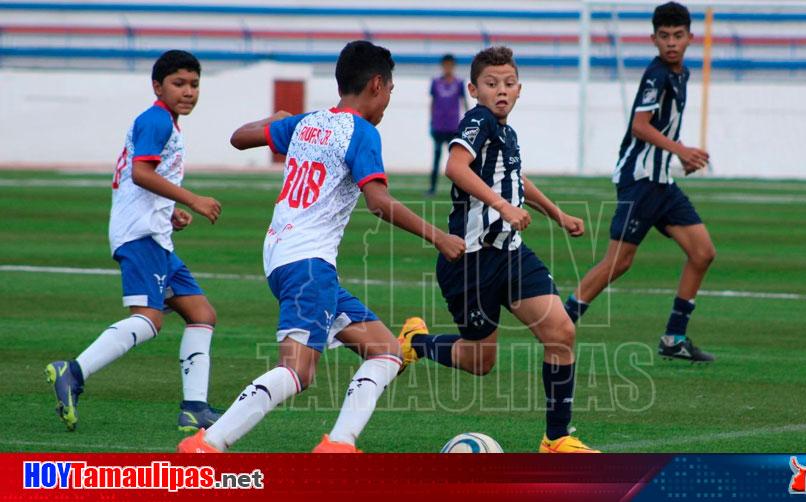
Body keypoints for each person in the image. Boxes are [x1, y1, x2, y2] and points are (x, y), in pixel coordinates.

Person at [177, 41, 466, 453]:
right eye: (390, 91)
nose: (387, 102)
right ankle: (208, 445)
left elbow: (239, 138)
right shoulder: (362, 133)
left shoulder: (307, 122)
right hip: (308, 262)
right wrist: (439, 237)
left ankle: (339, 446)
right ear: (377, 85)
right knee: (298, 372)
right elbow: (379, 203)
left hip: (286, 258)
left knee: (385, 352)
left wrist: (277, 119)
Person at [396, 46, 599, 453]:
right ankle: (415, 343)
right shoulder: (478, 119)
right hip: (470, 262)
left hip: (511, 254)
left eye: (508, 83)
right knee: (479, 362)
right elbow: (454, 167)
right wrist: (502, 206)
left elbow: (515, 177)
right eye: (491, 84)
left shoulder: (506, 132)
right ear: (474, 89)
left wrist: (558, 215)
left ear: (519, 89)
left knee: (561, 332)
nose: (500, 91)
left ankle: (557, 439)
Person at [46, 50, 224, 433]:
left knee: (201, 314)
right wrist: (190, 199)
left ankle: (194, 408)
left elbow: (140, 179)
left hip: (154, 233)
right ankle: (73, 371)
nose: (189, 91)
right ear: (157, 86)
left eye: (194, 84)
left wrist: (168, 211)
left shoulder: (166, 123)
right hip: (139, 236)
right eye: (179, 83)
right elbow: (141, 172)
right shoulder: (155, 120)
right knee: (148, 319)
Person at [563, 1, 717, 363]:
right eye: (664, 36)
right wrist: (681, 150)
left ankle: (674, 337)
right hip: (640, 180)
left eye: (678, 36)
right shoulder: (657, 75)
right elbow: (640, 125)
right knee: (618, 261)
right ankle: (560, 321)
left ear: (690, 38)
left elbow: (661, 127)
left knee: (703, 252)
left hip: (661, 182)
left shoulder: (682, 74)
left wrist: (677, 157)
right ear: (653, 39)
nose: (671, 43)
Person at [427, 54, 468, 196]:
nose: (448, 68)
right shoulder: (436, 82)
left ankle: (460, 189)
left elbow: (464, 102)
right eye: (446, 65)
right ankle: (432, 188)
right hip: (439, 126)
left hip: (453, 127)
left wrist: (468, 120)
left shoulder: (459, 83)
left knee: (456, 161)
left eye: (450, 65)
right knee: (436, 158)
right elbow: (432, 102)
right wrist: (431, 121)